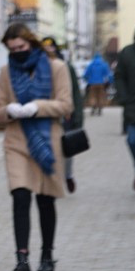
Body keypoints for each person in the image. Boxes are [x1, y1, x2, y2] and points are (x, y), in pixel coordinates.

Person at [0, 24, 73, 271]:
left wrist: (35, 107)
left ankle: (47, 255)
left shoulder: (56, 67)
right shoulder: (6, 72)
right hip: (16, 141)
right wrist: (10, 111)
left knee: (45, 200)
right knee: (20, 197)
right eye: (12, 49)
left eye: (21, 48)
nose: (17, 52)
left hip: (47, 140)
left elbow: (65, 105)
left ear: (32, 44)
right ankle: (22, 258)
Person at [41, 36, 85, 193]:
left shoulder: (66, 67)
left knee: (67, 148)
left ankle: (68, 175)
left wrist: (78, 116)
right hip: (45, 114)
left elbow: (75, 93)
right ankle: (52, 179)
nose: (48, 50)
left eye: (51, 47)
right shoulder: (38, 67)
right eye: (45, 48)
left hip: (65, 114)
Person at [113, 20, 135, 190]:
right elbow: (119, 76)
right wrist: (123, 97)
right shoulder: (127, 53)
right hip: (133, 108)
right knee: (134, 141)